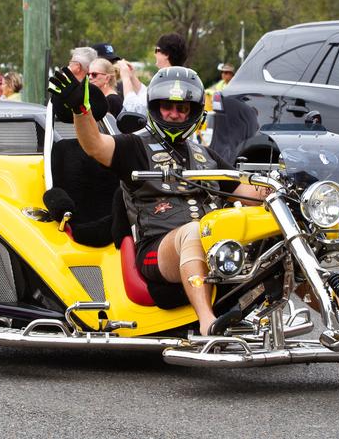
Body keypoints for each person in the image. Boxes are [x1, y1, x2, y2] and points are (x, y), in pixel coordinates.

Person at [49, 66, 266, 336]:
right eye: (167, 107)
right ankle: (207, 321)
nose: (174, 114)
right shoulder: (133, 147)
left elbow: (247, 194)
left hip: (214, 245)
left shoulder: (205, 156)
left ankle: (334, 315)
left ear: (194, 111)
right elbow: (94, 145)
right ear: (154, 107)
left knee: (280, 229)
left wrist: (281, 186)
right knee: (194, 233)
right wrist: (81, 110)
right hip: (157, 251)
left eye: (182, 108)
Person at [120, 32, 188, 115]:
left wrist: (125, 78)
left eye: (156, 50)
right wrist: (132, 76)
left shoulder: (165, 81)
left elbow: (135, 109)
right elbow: (149, 97)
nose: (154, 54)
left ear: (166, 54)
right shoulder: (181, 79)